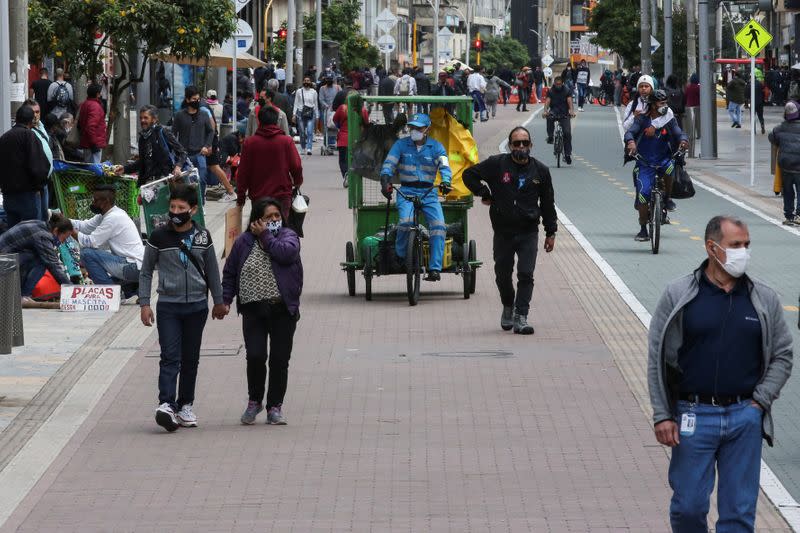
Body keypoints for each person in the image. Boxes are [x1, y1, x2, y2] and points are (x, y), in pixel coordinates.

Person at [648, 215, 793, 532]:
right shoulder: (678, 294)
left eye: (747, 245)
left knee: (739, 515)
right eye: (736, 245)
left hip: (744, 417)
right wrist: (662, 414)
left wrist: (759, 403)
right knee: (688, 508)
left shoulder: (762, 298)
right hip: (692, 416)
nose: (744, 252)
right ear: (712, 248)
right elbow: (657, 357)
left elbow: (783, 354)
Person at [138, 184, 228, 432]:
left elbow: (212, 271)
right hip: (168, 306)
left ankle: (185, 404)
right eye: (172, 207)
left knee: (191, 358)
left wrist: (219, 302)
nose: (175, 211)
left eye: (181, 207)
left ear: (193, 209)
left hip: (197, 307)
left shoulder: (203, 236)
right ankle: (166, 403)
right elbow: (145, 272)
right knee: (170, 356)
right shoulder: (158, 236)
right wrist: (145, 303)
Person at [463, 126, 556, 335]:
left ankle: (521, 316)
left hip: (528, 231)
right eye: (516, 143)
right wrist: (483, 192)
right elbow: (468, 175)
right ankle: (508, 304)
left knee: (525, 273)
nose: (521, 147)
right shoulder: (497, 164)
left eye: (525, 143)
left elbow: (548, 203)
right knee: (502, 274)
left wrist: (551, 232)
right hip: (503, 231)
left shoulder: (541, 171)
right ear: (510, 145)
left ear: (531, 145)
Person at [222, 198, 302, 426]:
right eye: (268, 217)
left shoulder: (288, 236)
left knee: (279, 359)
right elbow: (230, 273)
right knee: (256, 356)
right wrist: (226, 300)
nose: (274, 220)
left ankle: (275, 406)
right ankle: (254, 400)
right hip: (253, 311)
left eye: (277, 216)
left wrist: (266, 236)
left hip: (282, 310)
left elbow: (286, 254)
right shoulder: (243, 242)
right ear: (257, 220)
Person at [379, 113, 452, 282]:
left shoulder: (437, 147)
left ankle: (434, 268)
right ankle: (401, 256)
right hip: (406, 192)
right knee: (405, 222)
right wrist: (385, 180)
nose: (414, 131)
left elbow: (445, 167)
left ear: (427, 129)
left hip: (429, 193)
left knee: (439, 226)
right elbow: (389, 164)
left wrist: (446, 181)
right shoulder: (400, 145)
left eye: (418, 128)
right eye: (412, 127)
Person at [625, 89, 689, 242]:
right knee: (642, 196)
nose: (665, 106)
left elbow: (679, 132)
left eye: (666, 103)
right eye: (662, 103)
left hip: (663, 160)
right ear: (653, 105)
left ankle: (666, 198)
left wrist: (683, 140)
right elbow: (630, 132)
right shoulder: (641, 119)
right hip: (644, 163)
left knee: (670, 167)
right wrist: (631, 142)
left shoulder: (669, 118)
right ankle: (642, 229)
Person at [71, 184, 144, 299]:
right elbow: (84, 226)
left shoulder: (113, 217)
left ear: (106, 201)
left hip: (133, 266)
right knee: (106, 271)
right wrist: (65, 220)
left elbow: (89, 242)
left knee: (87, 253)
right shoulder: (107, 214)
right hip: (134, 265)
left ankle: (112, 296)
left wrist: (69, 230)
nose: (93, 203)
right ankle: (130, 289)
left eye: (95, 201)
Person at [237, 106, 303, 219]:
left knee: (261, 230)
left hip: (258, 197)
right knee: (282, 231)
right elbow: (296, 165)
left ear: (259, 121)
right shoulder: (286, 141)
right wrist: (297, 182)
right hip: (282, 196)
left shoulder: (250, 143)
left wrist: (241, 196)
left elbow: (243, 172)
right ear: (277, 120)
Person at [0, 213, 73, 302]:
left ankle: (23, 295)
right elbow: (53, 265)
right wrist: (71, 289)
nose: (62, 242)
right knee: (43, 261)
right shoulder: (43, 235)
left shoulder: (39, 225)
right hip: (4, 265)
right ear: (56, 230)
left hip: (6, 260)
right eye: (64, 238)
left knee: (41, 257)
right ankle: (24, 295)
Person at [0, 106, 50, 227]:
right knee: (31, 232)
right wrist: (40, 185)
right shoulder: (29, 136)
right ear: (31, 121)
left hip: (8, 194)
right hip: (28, 194)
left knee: (14, 233)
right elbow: (38, 165)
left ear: (16, 119)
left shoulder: (4, 138)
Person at [118, 105, 186, 186]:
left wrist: (178, 166)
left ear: (154, 119)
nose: (142, 120)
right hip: (148, 184)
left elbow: (182, 152)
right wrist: (125, 169)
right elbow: (142, 162)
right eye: (141, 118)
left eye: (146, 118)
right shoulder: (143, 138)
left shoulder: (163, 132)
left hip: (165, 182)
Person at [172, 85, 214, 200]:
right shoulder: (180, 115)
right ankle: (189, 203)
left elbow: (211, 132)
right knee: (186, 182)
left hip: (199, 153)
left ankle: (201, 203)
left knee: (202, 179)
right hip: (184, 155)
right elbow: (173, 134)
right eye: (194, 99)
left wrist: (207, 145)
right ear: (187, 100)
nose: (197, 101)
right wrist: (176, 150)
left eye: (198, 99)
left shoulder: (204, 114)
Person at [768, 101, 800, 225]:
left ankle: (789, 215)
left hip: (785, 165)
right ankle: (799, 214)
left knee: (787, 191)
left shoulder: (780, 128)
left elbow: (772, 138)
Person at [332, 91, 370, 188]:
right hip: (357, 138)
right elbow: (366, 123)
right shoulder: (363, 110)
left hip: (343, 138)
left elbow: (335, 120)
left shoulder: (342, 108)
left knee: (343, 160)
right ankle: (355, 178)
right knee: (355, 159)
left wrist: (341, 126)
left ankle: (346, 174)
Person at [543, 76, 576, 165]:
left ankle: (567, 154)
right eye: (556, 84)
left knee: (567, 133)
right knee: (549, 118)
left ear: (562, 83)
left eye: (559, 84)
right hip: (554, 111)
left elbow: (569, 101)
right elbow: (547, 101)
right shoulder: (550, 91)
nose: (558, 86)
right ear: (554, 83)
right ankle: (550, 137)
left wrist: (571, 111)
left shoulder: (566, 90)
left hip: (564, 113)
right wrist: (545, 111)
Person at [77, 84, 107, 164]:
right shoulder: (95, 106)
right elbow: (91, 127)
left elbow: (80, 124)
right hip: (93, 144)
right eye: (100, 93)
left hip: (87, 143)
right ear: (97, 94)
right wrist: (94, 144)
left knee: (88, 168)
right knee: (94, 169)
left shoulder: (85, 104)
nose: (101, 94)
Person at [293, 76, 319, 156]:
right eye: (305, 80)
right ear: (303, 82)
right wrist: (294, 114)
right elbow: (296, 103)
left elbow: (315, 104)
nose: (306, 82)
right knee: (302, 132)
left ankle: (309, 148)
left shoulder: (314, 92)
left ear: (310, 82)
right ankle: (303, 147)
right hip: (300, 113)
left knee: (310, 131)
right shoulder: (299, 91)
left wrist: (317, 115)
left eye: (308, 80)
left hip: (311, 113)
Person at [747, 69, 766, 135]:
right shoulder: (760, 84)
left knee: (753, 117)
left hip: (752, 103)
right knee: (760, 116)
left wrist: (746, 103)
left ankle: (753, 130)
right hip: (760, 103)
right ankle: (762, 125)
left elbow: (746, 95)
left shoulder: (749, 85)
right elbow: (763, 92)